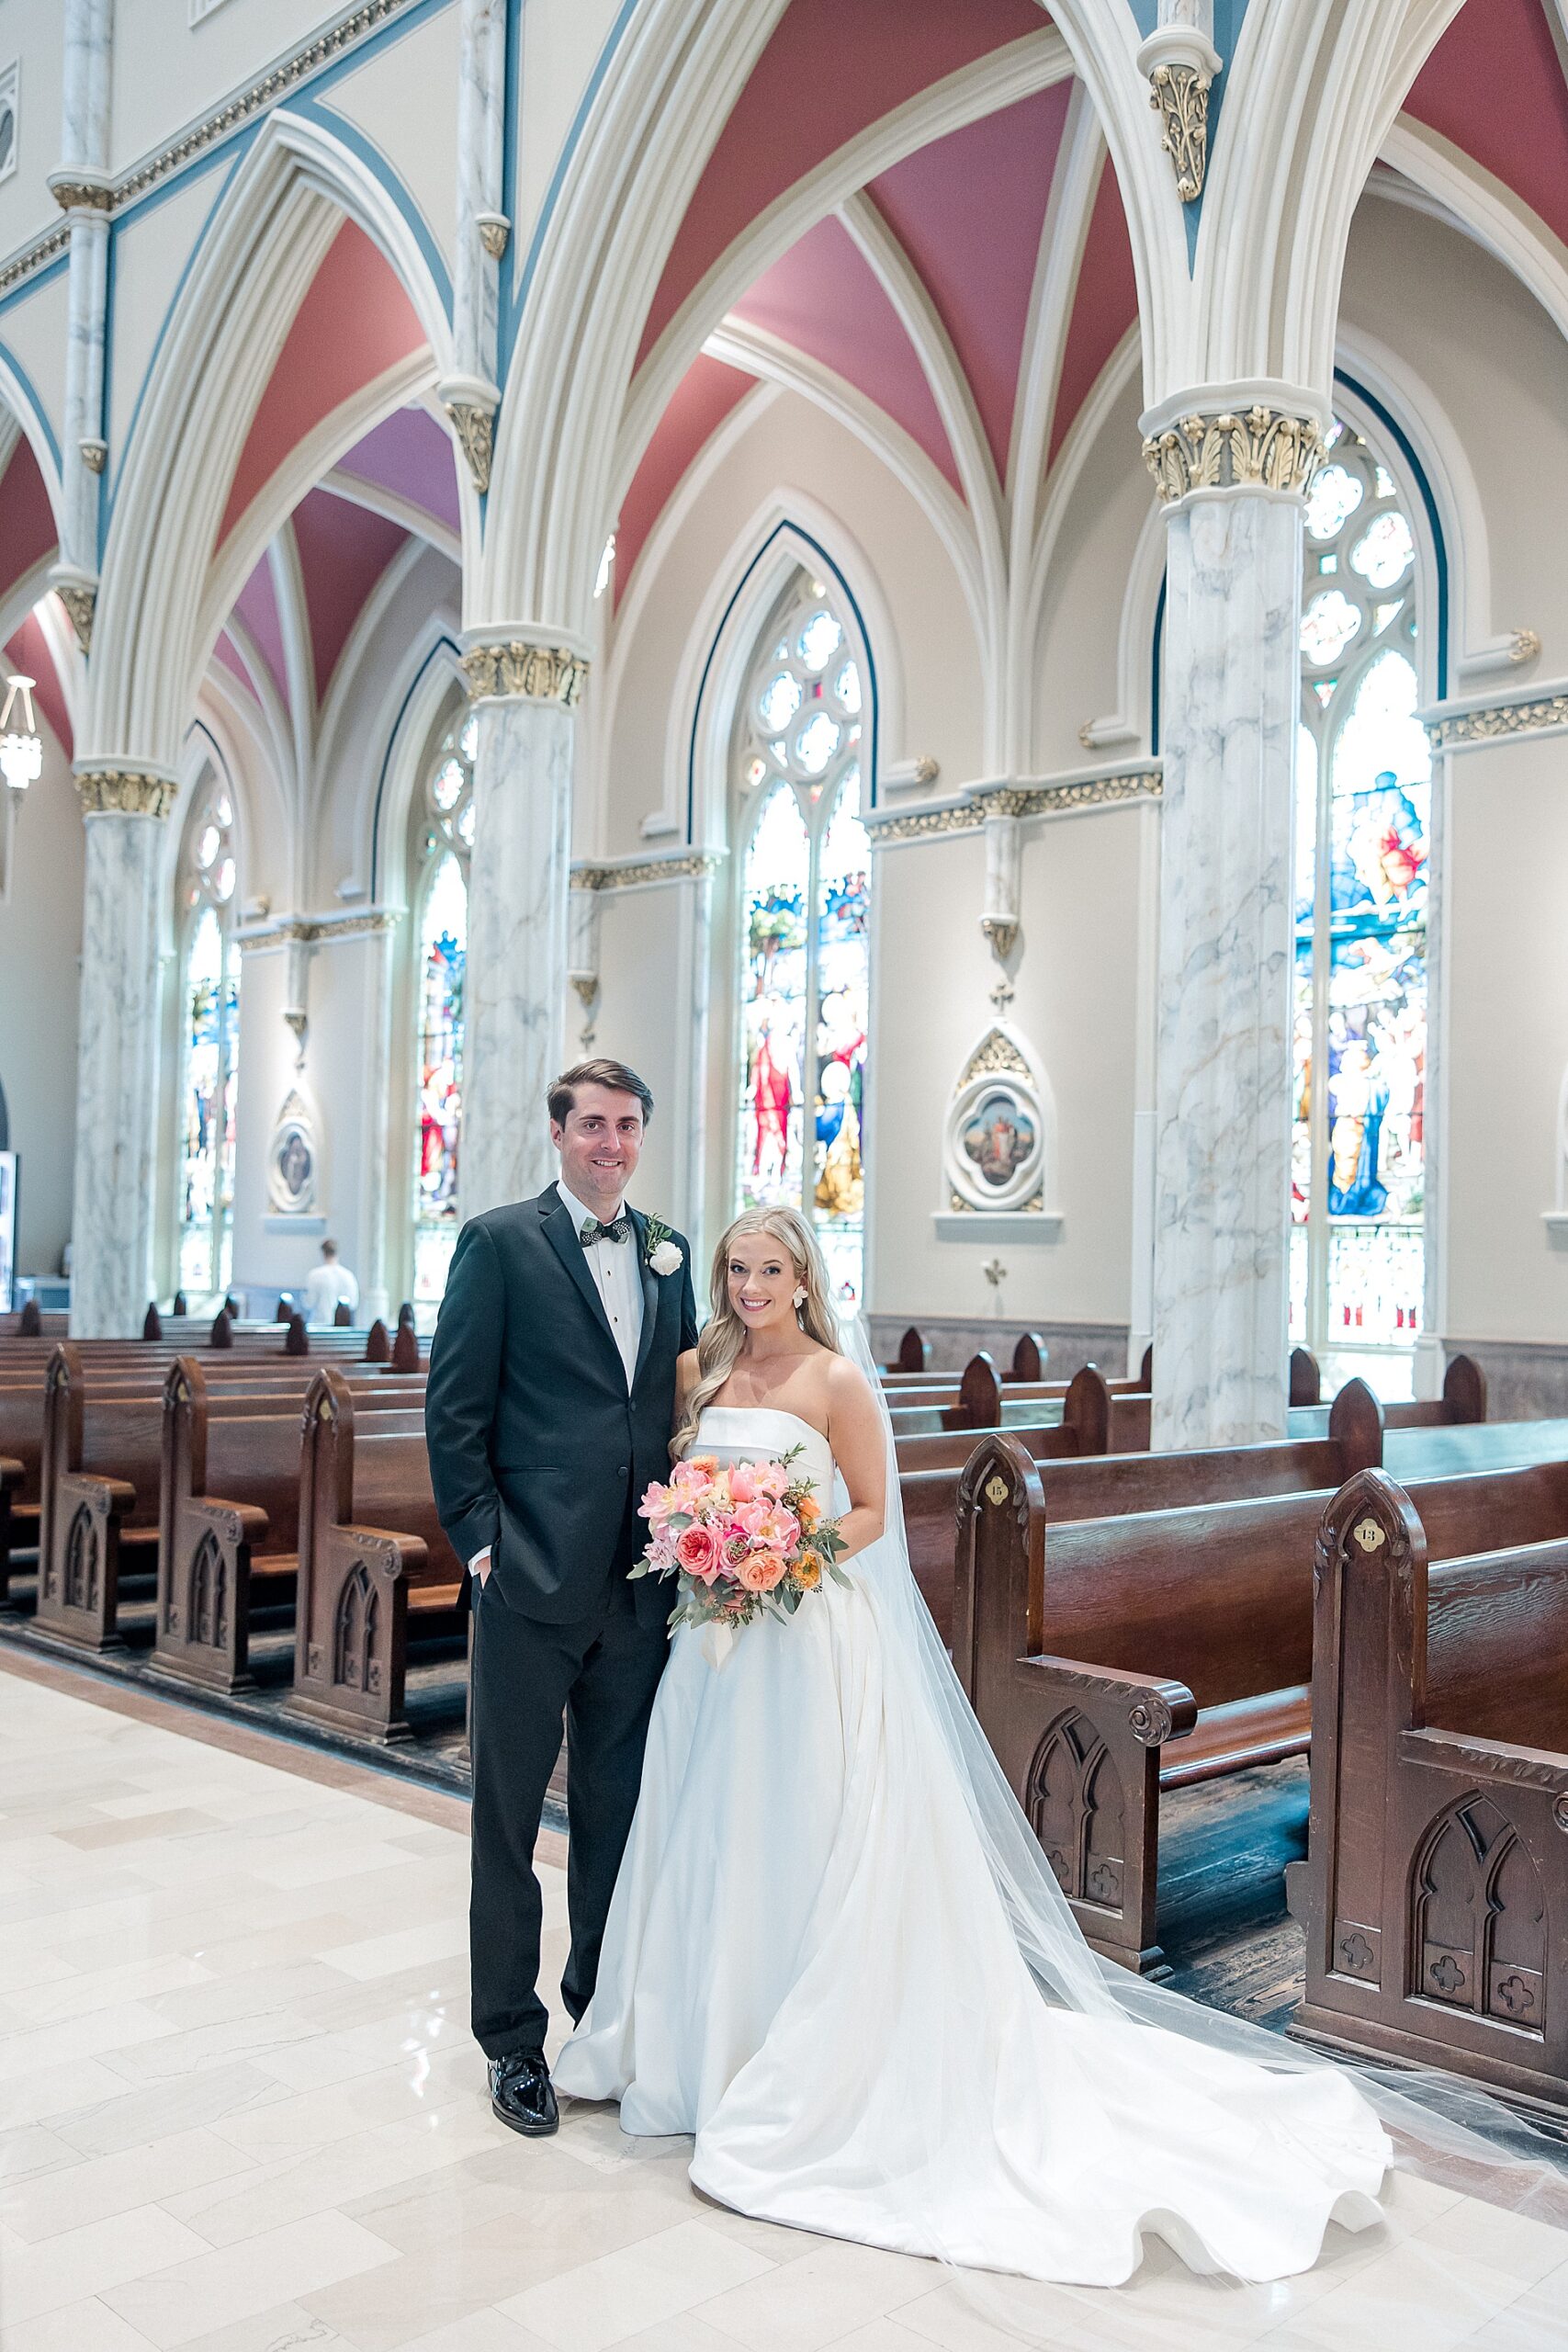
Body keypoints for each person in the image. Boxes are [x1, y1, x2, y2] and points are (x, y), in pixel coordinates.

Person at [554, 1204, 1402, 2289]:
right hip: (712, 1651)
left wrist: (780, 1549)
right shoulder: (697, 1372)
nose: (751, 1287)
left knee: (799, 1832)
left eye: (770, 1270)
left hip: (802, 1638)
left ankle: (789, 2055)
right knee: (706, 1832)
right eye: (736, 1269)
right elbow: (677, 1492)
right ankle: (687, 2047)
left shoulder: (834, 1382)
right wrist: (705, 1545)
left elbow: (872, 1513)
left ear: (806, 1281)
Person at [424, 1058, 698, 2142]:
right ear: (557, 1132)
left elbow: (677, 1398)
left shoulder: (669, 1250)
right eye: (593, 1124)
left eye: (628, 1125)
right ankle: (510, 2038)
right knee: (505, 1816)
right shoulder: (499, 1243)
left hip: (638, 1584)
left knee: (617, 1817)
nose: (612, 1143)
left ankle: (598, 2009)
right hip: (529, 1578)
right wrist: (485, 1547)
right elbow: (455, 1414)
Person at [301, 1239, 358, 1328]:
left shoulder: (315, 1275)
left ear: (323, 1253)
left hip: (319, 1324)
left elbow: (309, 1303)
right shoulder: (348, 1276)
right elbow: (353, 1304)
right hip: (341, 1326)